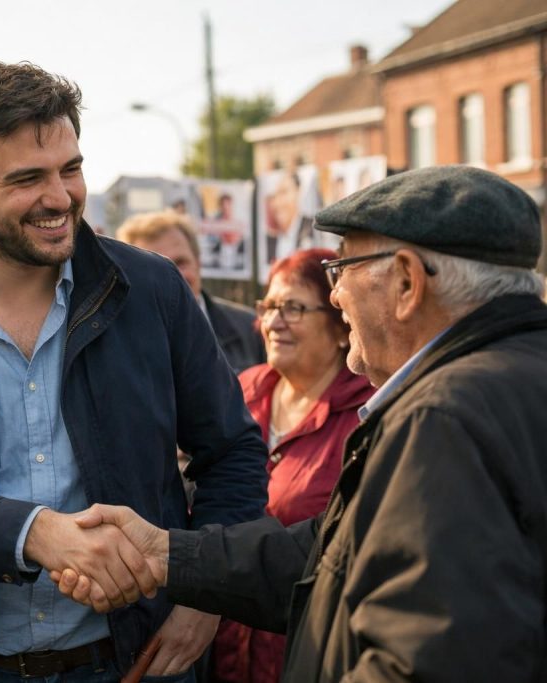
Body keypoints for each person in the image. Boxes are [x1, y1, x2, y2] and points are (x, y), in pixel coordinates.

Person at [0, 61, 269, 681]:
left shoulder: (152, 289)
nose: (60, 198)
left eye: (71, 169)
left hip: (139, 660)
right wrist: (33, 534)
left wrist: (204, 594)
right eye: (28, 178)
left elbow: (233, 452)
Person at [57, 165, 547, 681]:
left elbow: (424, 658)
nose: (336, 295)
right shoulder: (510, 378)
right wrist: (168, 555)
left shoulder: (442, 418)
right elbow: (335, 553)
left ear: (407, 282)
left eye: (343, 267)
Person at [211, 248, 374, 683]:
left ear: (341, 328)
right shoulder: (243, 392)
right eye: (269, 306)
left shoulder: (364, 416)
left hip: (310, 653)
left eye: (294, 308)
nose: (274, 322)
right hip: (224, 651)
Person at [116, 211, 264, 373]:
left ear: (198, 263)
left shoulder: (251, 328)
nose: (173, 277)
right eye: (156, 268)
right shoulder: (116, 342)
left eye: (180, 263)